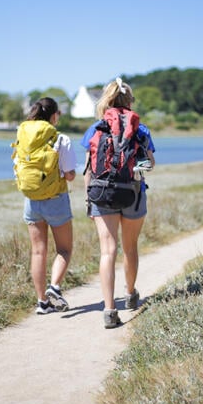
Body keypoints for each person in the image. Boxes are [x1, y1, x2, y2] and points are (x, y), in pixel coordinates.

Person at [82, 78, 155, 328]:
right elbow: (150, 165)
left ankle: (109, 310)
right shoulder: (141, 129)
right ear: (129, 101)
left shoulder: (96, 128)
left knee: (107, 251)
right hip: (133, 193)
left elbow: (89, 169)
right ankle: (131, 294)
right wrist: (134, 169)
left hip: (101, 194)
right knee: (130, 248)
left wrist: (89, 200)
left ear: (107, 100)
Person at [15, 97, 76, 315]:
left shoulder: (22, 136)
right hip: (56, 200)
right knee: (65, 249)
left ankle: (42, 302)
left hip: (31, 200)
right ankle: (55, 287)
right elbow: (69, 175)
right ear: (53, 115)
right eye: (58, 114)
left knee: (38, 252)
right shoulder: (61, 139)